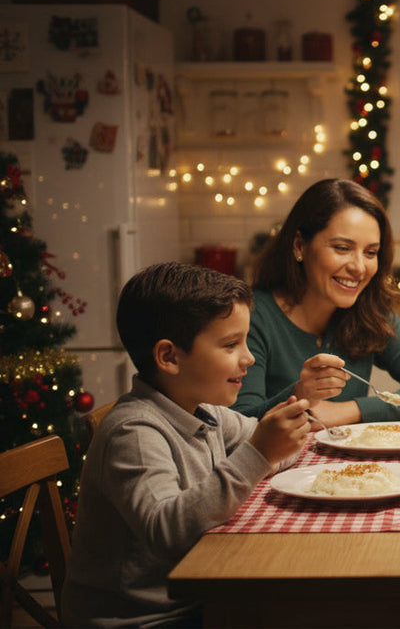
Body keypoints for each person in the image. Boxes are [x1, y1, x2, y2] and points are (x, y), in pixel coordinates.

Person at [61, 262, 310, 627]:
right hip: (144, 619)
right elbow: (167, 531)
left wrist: (278, 443)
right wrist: (260, 453)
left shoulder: (201, 410)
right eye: (230, 345)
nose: (249, 358)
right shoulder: (134, 432)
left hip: (198, 597)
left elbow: (264, 442)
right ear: (169, 357)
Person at [232, 179, 400, 425]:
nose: (359, 268)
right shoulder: (251, 317)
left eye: (370, 253)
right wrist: (299, 395)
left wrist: (351, 410)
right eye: (342, 248)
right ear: (299, 246)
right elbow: (235, 425)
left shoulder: (369, 313)